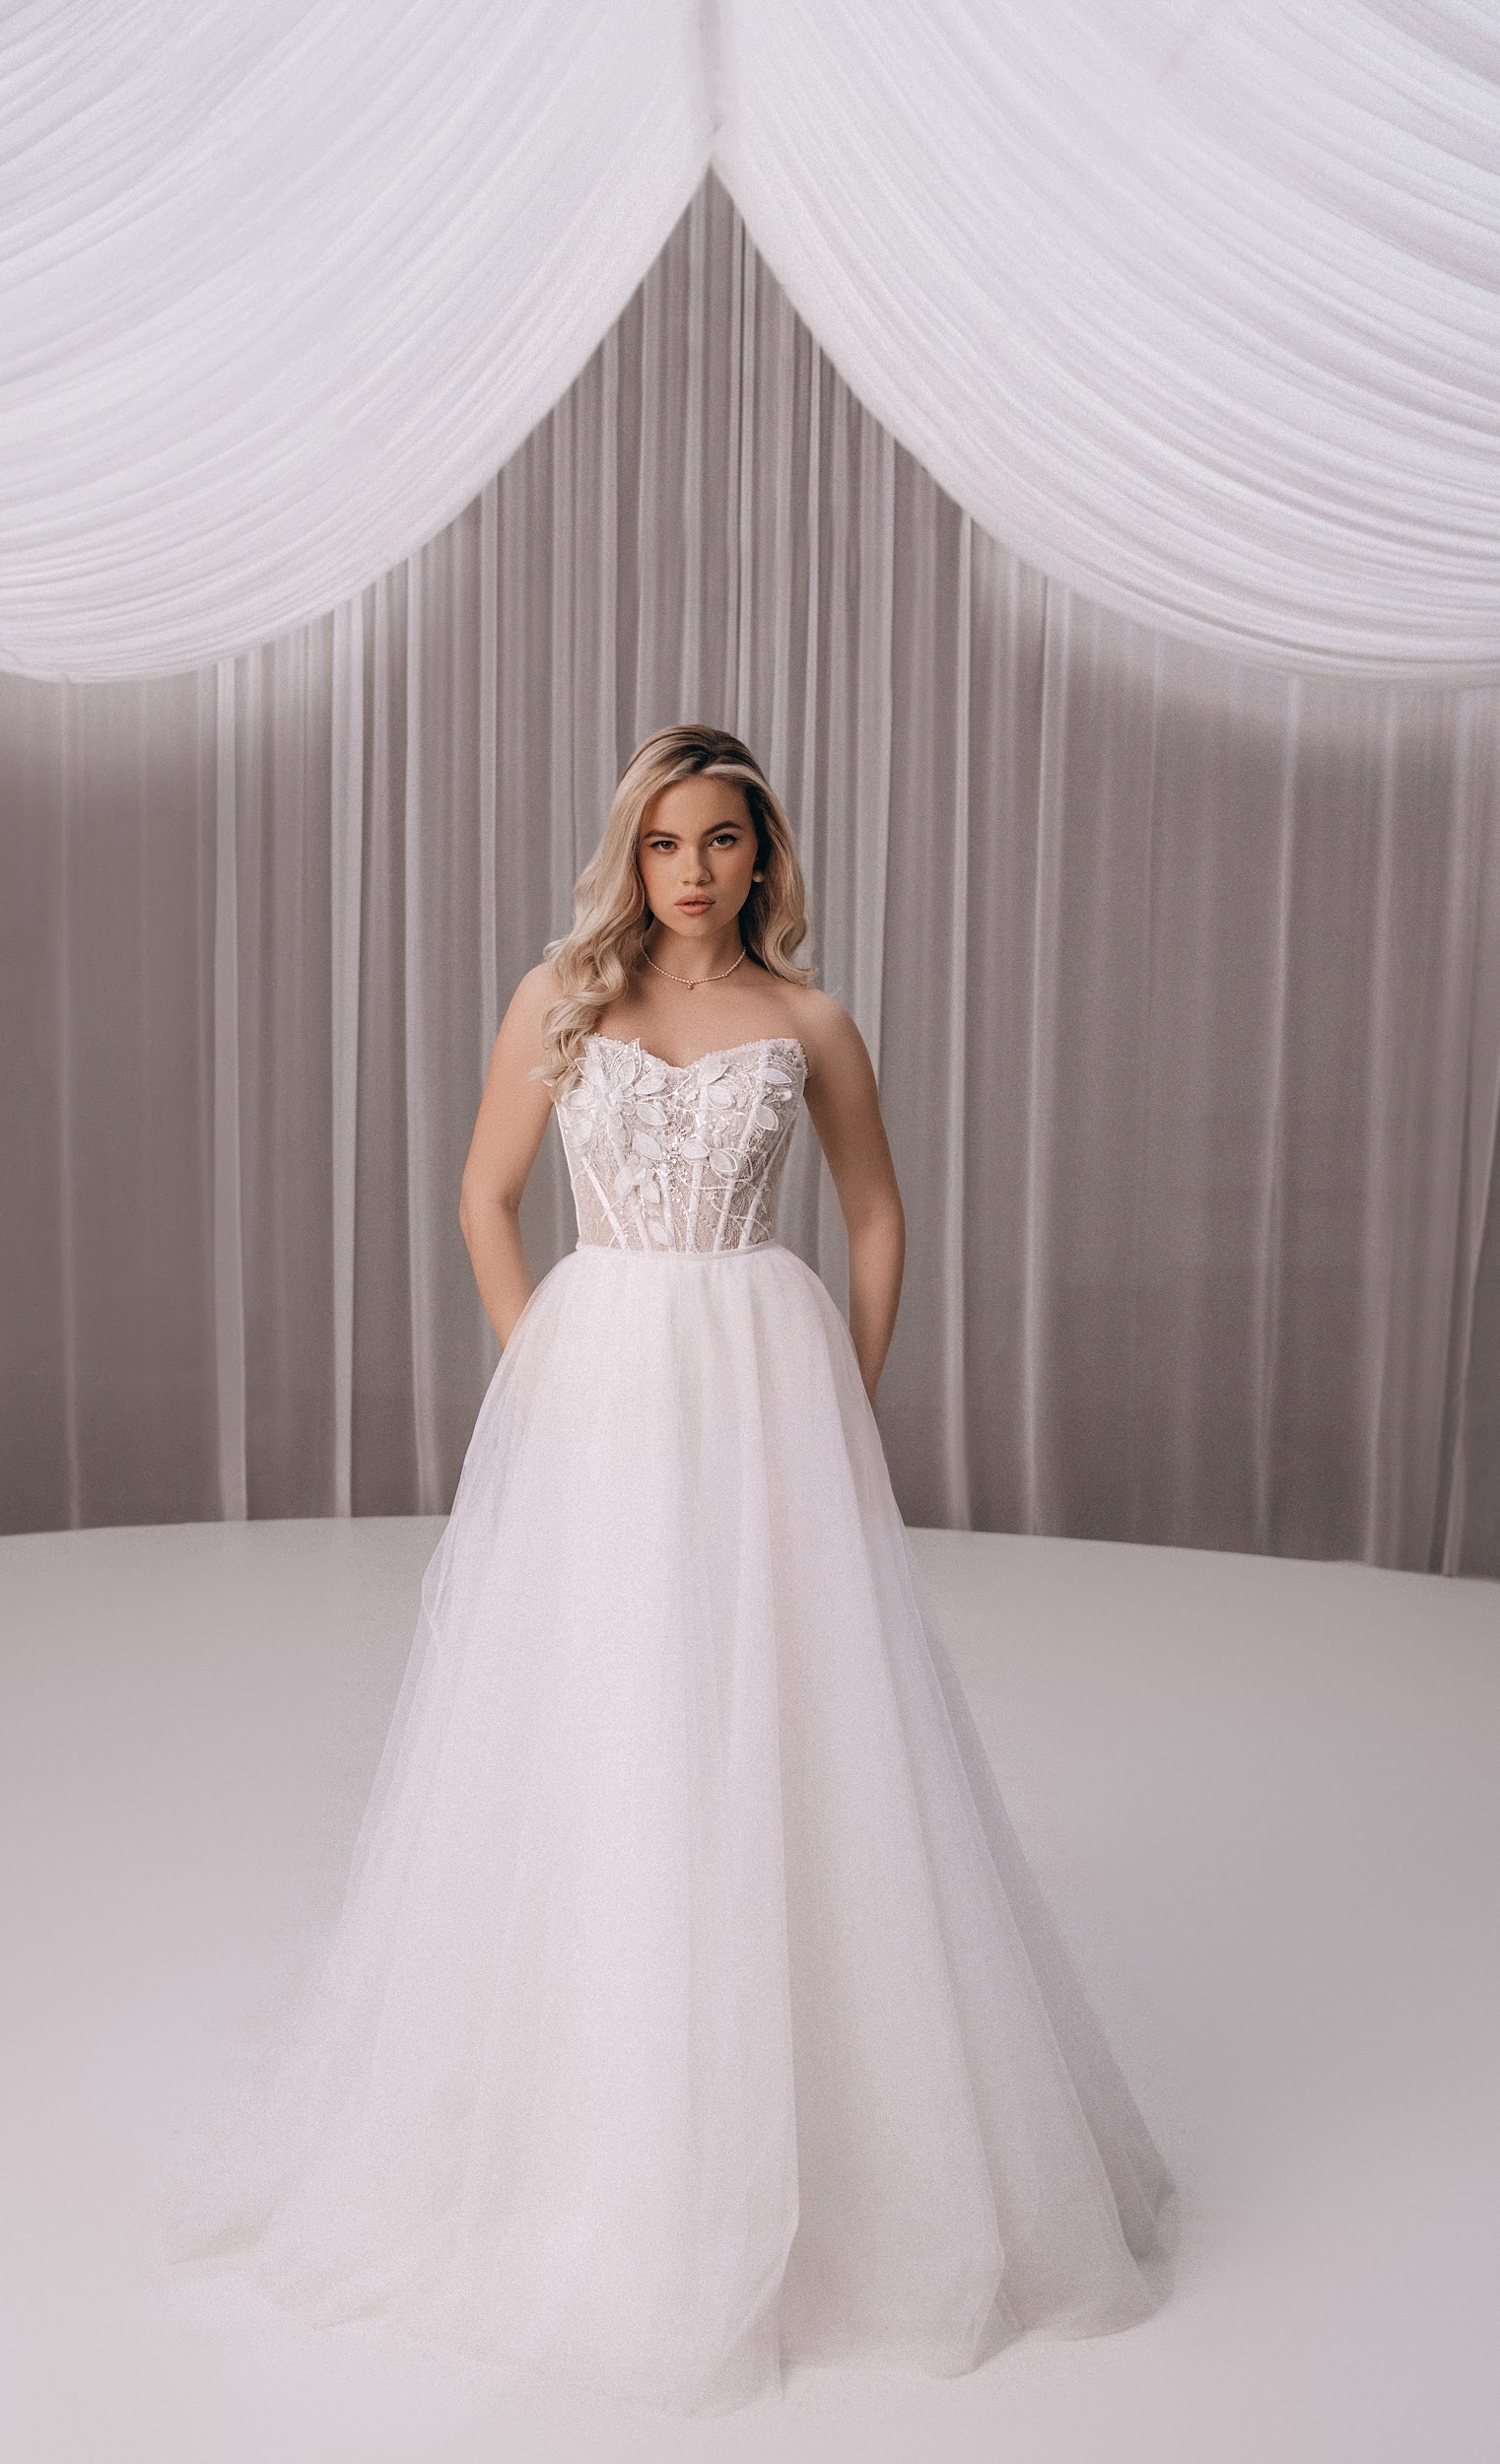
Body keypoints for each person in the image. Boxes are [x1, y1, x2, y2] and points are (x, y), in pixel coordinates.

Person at [164, 722, 1171, 2417]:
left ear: (763, 854)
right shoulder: (563, 999)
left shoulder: (809, 1022)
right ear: (628, 855)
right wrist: (546, 1379)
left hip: (763, 1379)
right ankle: (593, 2124)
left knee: (786, 1713)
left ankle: (821, 2131)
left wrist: (842, 1398)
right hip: (609, 1372)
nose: (692, 871)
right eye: (663, 842)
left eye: (721, 840)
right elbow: (484, 1199)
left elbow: (875, 1213)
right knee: (607, 1713)